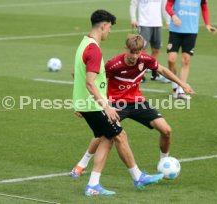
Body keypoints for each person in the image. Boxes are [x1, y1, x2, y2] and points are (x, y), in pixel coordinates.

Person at [71, 34, 194, 181]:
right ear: (126, 49)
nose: (134, 56)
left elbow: (162, 70)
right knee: (104, 135)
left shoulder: (145, 60)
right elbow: (92, 82)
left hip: (137, 102)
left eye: (138, 52)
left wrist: (182, 83)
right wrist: (84, 105)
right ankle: (81, 164)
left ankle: (164, 162)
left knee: (166, 130)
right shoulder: (113, 65)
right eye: (132, 52)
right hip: (116, 104)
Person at [73, 11, 164, 196]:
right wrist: (106, 106)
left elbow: (78, 76)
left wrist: (80, 103)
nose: (109, 32)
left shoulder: (84, 43)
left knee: (110, 137)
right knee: (119, 135)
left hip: (87, 104)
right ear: (104, 26)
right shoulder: (94, 49)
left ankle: (93, 183)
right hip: (95, 105)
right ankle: (137, 177)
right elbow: (89, 82)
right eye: (110, 28)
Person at [166, 0, 217, 99]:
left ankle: (181, 90)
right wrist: (173, 15)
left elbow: (204, 6)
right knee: (171, 59)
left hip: (191, 31)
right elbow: (168, 6)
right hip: (175, 31)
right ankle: (174, 87)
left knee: (186, 60)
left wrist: (207, 24)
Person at [130, 0, 170, 83]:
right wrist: (133, 18)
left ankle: (154, 74)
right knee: (141, 50)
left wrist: (168, 21)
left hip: (157, 24)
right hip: (144, 23)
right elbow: (133, 4)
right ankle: (140, 74)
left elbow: (164, 7)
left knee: (156, 49)